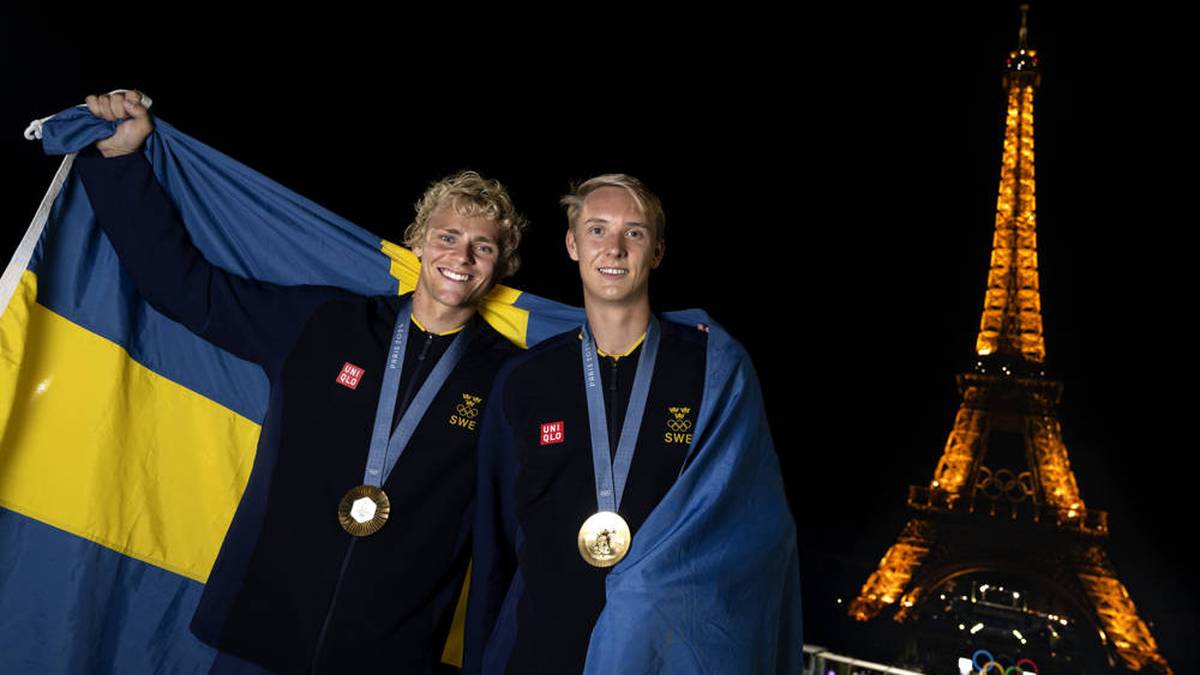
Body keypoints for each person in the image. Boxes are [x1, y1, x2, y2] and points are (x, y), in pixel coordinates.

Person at [76, 90, 525, 674]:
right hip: (261, 632)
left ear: (500, 264)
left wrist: (680, 355)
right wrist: (120, 165)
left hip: (389, 654)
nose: (461, 257)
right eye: (447, 237)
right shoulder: (325, 324)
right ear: (417, 240)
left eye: (482, 246)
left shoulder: (513, 379)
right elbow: (187, 289)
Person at [464, 174, 713, 674]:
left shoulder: (708, 367)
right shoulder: (525, 380)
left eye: (634, 233)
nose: (615, 249)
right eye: (597, 231)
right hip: (540, 655)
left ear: (658, 251)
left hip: (666, 656)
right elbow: (493, 547)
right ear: (572, 245)